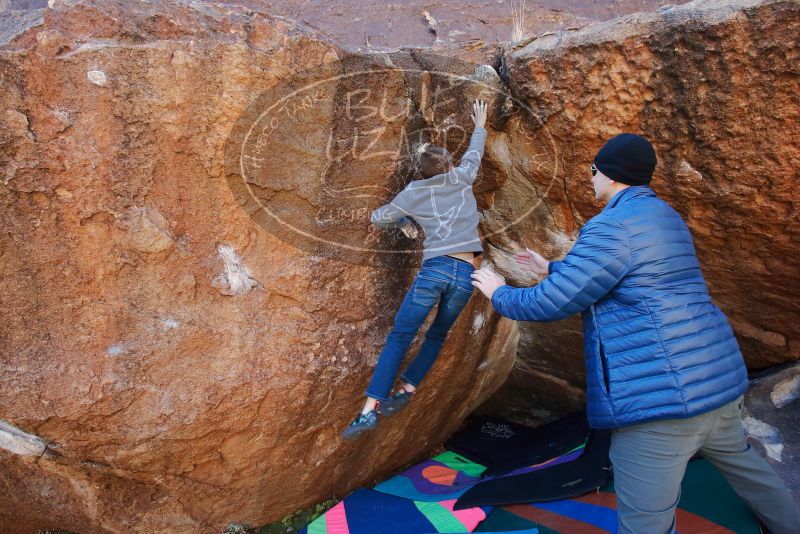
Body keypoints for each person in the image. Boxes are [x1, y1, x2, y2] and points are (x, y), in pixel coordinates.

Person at [470, 133, 800, 533]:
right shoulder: (663, 215)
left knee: (646, 520)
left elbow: (551, 303)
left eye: (592, 171)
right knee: (749, 471)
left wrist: (499, 292)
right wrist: (553, 268)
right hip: (715, 383)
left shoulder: (611, 226)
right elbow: (638, 279)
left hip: (661, 404)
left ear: (608, 174)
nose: (590, 179)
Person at [342, 99, 489, 440]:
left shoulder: (413, 191)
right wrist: (480, 124)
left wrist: (407, 215)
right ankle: (407, 389)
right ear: (449, 165)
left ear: (422, 171)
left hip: (434, 270)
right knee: (437, 335)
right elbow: (474, 155)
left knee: (400, 337)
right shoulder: (462, 179)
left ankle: (369, 411)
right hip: (466, 275)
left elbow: (378, 218)